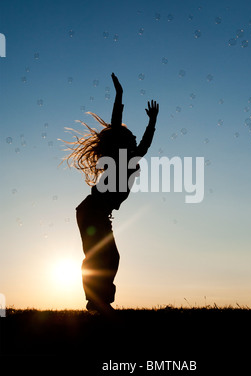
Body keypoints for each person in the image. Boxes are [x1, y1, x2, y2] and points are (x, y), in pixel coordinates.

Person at [60, 73, 159, 314]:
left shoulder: (128, 158)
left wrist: (151, 122)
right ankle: (97, 303)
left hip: (96, 213)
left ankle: (98, 302)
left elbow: (143, 144)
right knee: (100, 258)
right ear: (121, 142)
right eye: (131, 136)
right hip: (92, 211)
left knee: (108, 258)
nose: (134, 138)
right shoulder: (119, 157)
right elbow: (119, 127)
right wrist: (120, 95)